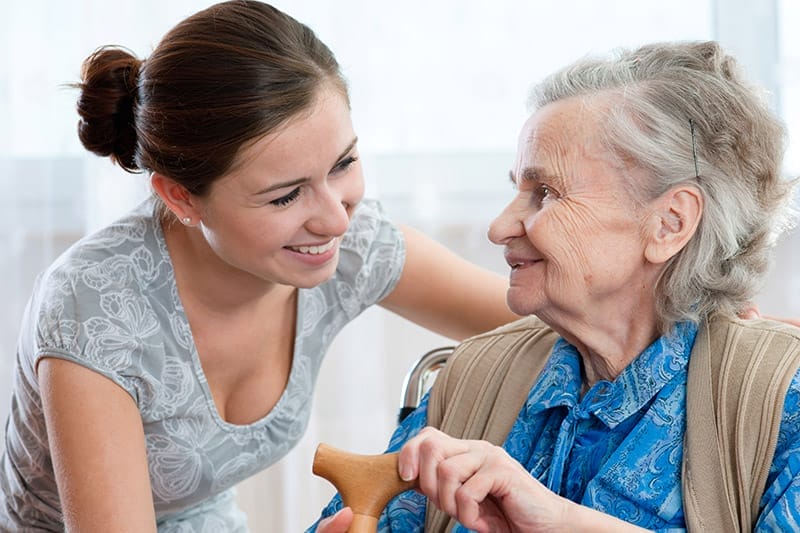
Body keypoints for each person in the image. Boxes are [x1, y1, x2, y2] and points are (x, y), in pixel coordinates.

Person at [0, 1, 520, 531]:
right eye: (285, 197)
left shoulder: (352, 245)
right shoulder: (93, 309)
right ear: (181, 197)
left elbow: (540, 319)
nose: (335, 220)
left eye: (343, 164)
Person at [313, 40, 800, 532]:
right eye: (516, 190)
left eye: (545, 192)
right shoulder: (476, 377)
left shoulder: (781, 398)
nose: (499, 226)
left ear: (670, 223)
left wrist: (559, 522)